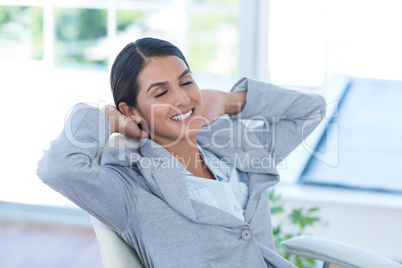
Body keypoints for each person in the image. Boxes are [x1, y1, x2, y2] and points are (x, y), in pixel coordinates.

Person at [37, 37, 326, 267]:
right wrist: (108, 118)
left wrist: (228, 101)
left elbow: (310, 111)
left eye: (186, 82)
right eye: (161, 93)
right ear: (130, 109)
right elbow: (58, 168)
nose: (183, 98)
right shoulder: (131, 187)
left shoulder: (234, 146)